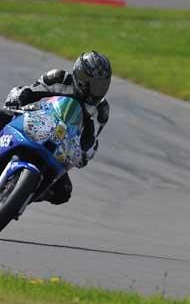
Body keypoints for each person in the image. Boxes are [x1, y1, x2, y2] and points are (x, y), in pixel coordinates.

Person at [0, 51, 112, 205]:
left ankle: (19, 196)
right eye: (93, 84)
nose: (97, 90)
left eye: (102, 85)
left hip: (59, 149)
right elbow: (30, 92)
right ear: (80, 76)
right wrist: (18, 98)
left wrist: (85, 154)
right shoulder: (58, 79)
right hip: (32, 124)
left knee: (63, 191)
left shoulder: (100, 110)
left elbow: (90, 141)